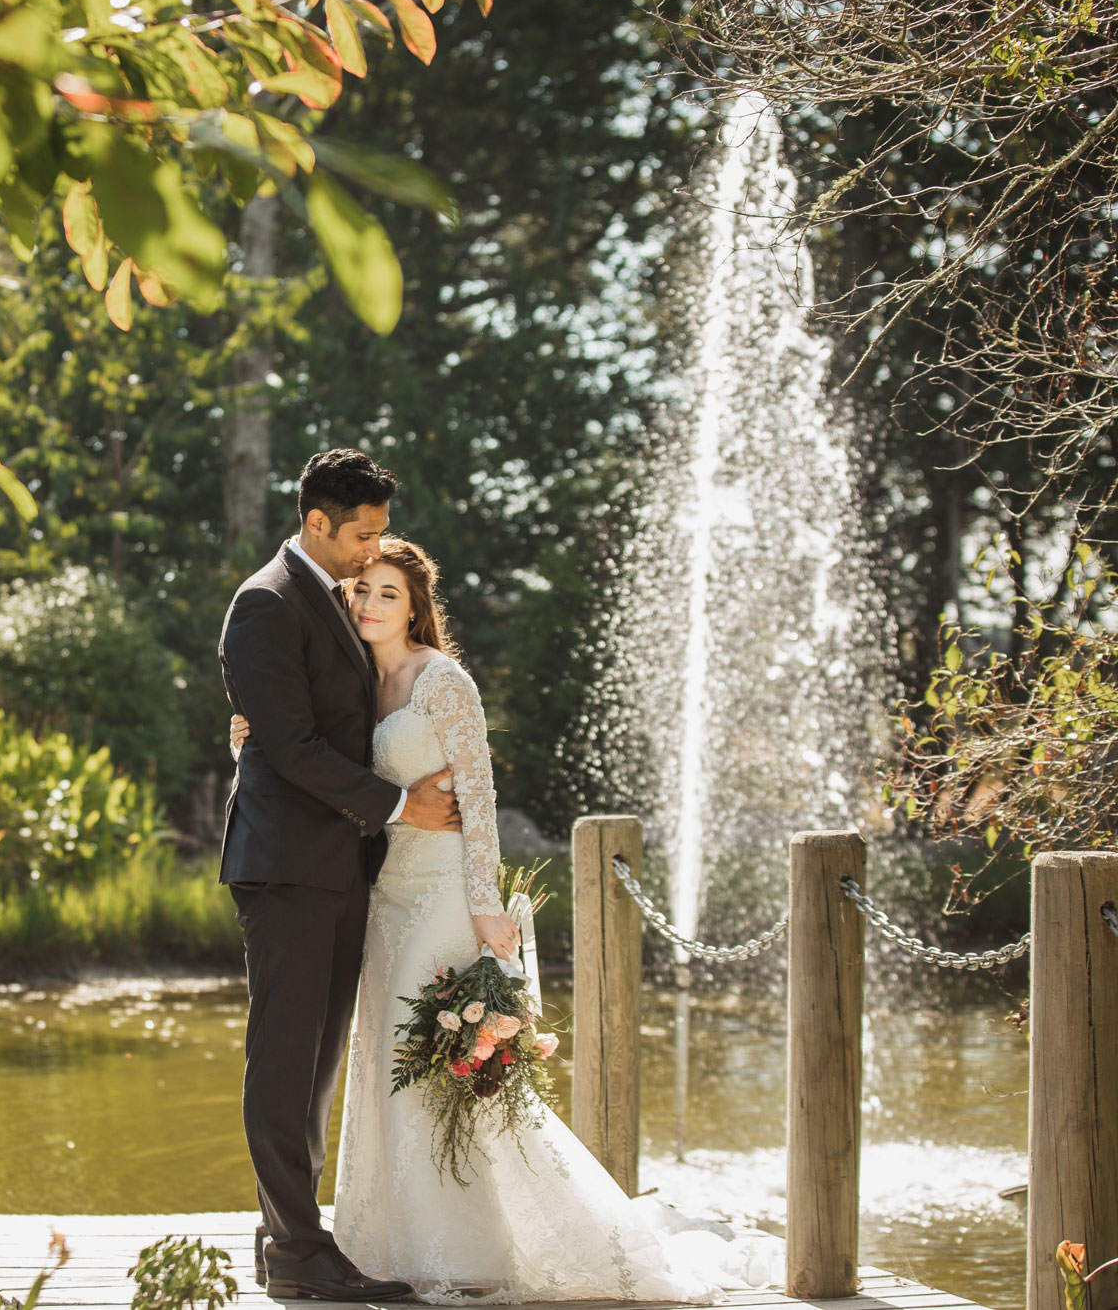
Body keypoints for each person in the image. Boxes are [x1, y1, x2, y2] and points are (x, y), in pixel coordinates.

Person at [228, 533, 783, 1305]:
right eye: (361, 590)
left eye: (388, 593)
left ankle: (478, 1243)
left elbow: (479, 798)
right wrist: (249, 740)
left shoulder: (443, 680)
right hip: (382, 896)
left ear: (416, 606)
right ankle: (390, 1240)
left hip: (443, 900)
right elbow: (310, 755)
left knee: (445, 1076)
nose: (369, 603)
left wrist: (489, 913)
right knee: (389, 1072)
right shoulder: (357, 683)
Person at [217, 449, 472, 1304]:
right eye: (361, 534)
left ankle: (285, 1236)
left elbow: (320, 721)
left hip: (336, 870)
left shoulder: (330, 602)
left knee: (318, 1061)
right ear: (316, 522)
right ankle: (295, 1248)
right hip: (287, 871)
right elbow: (289, 746)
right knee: (286, 1062)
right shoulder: (265, 602)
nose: (373, 552)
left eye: (380, 536)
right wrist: (400, 808)